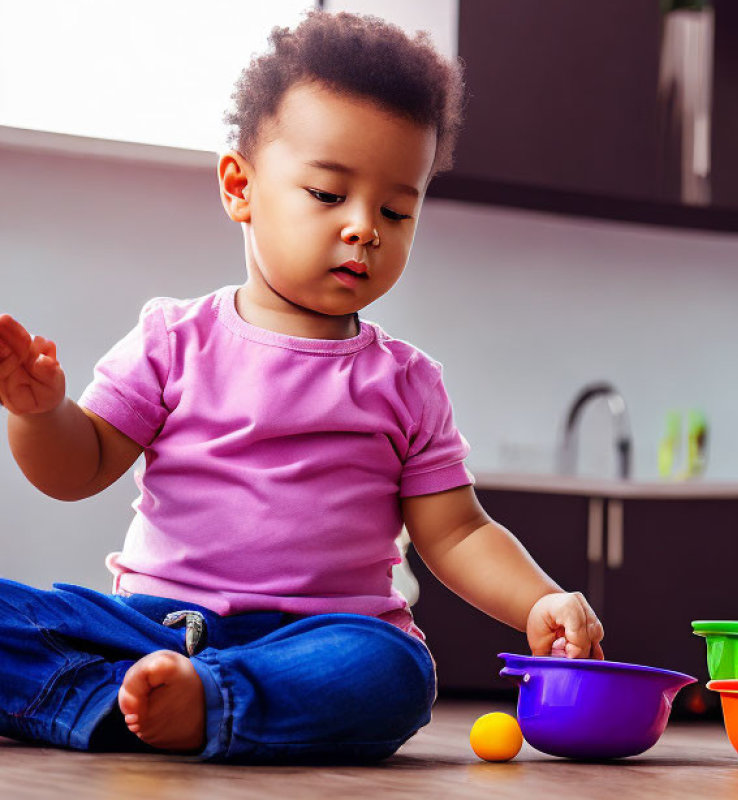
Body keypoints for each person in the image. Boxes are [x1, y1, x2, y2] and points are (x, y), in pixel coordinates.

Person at [0, 11, 604, 763]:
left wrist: (539, 598)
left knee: (394, 671)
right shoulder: (173, 340)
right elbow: (77, 466)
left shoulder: (408, 383)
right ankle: (158, 697)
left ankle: (186, 701)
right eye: (327, 194)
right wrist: (39, 413)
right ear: (240, 187)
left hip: (321, 638)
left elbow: (457, 532)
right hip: (150, 625)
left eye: (395, 209)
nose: (364, 228)